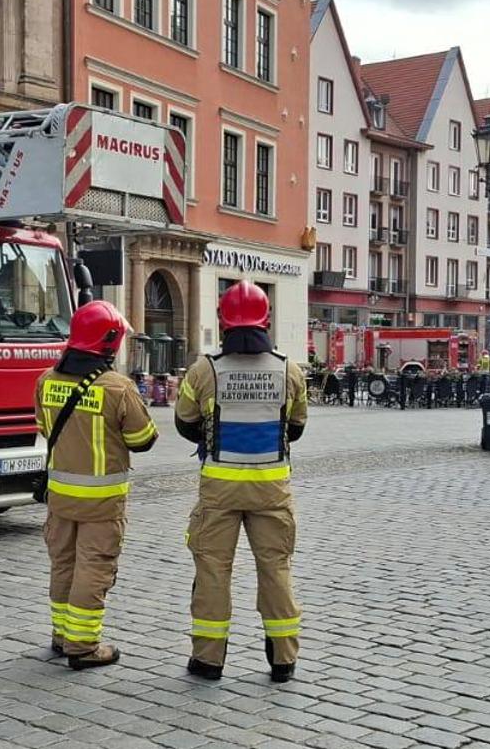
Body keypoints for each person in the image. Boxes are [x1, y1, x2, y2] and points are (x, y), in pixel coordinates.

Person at [174, 280, 308, 683]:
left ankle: (208, 660)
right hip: (272, 488)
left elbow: (184, 422)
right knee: (276, 568)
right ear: (266, 319)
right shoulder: (289, 369)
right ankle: (283, 659)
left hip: (219, 490)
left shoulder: (204, 369)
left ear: (223, 319)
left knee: (213, 569)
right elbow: (297, 427)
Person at [35, 300, 158, 670]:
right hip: (102, 501)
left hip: (59, 497)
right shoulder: (117, 388)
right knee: (94, 567)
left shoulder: (46, 381)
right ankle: (84, 646)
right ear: (108, 343)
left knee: (63, 563)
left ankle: (61, 635)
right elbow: (144, 438)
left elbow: (44, 428)